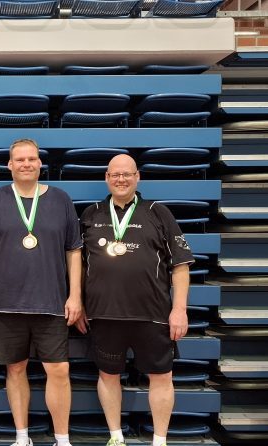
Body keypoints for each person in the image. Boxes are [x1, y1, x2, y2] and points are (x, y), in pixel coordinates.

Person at [0, 139, 83, 446]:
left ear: (40, 163)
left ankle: (62, 439)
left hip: (52, 303)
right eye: (20, 159)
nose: (26, 164)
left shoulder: (61, 199)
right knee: (15, 369)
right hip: (5, 304)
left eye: (32, 159)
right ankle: (22, 437)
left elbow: (74, 251)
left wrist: (75, 295)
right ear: (10, 165)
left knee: (59, 370)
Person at [80, 154, 194, 446]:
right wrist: (78, 303)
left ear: (137, 177)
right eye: (115, 174)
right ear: (107, 178)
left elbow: (180, 266)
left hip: (153, 315)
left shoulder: (158, 212)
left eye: (127, 174)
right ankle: (116, 437)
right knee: (108, 375)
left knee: (162, 377)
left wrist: (179, 309)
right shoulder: (91, 214)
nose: (121, 179)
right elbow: (77, 266)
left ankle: (160, 440)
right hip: (104, 314)